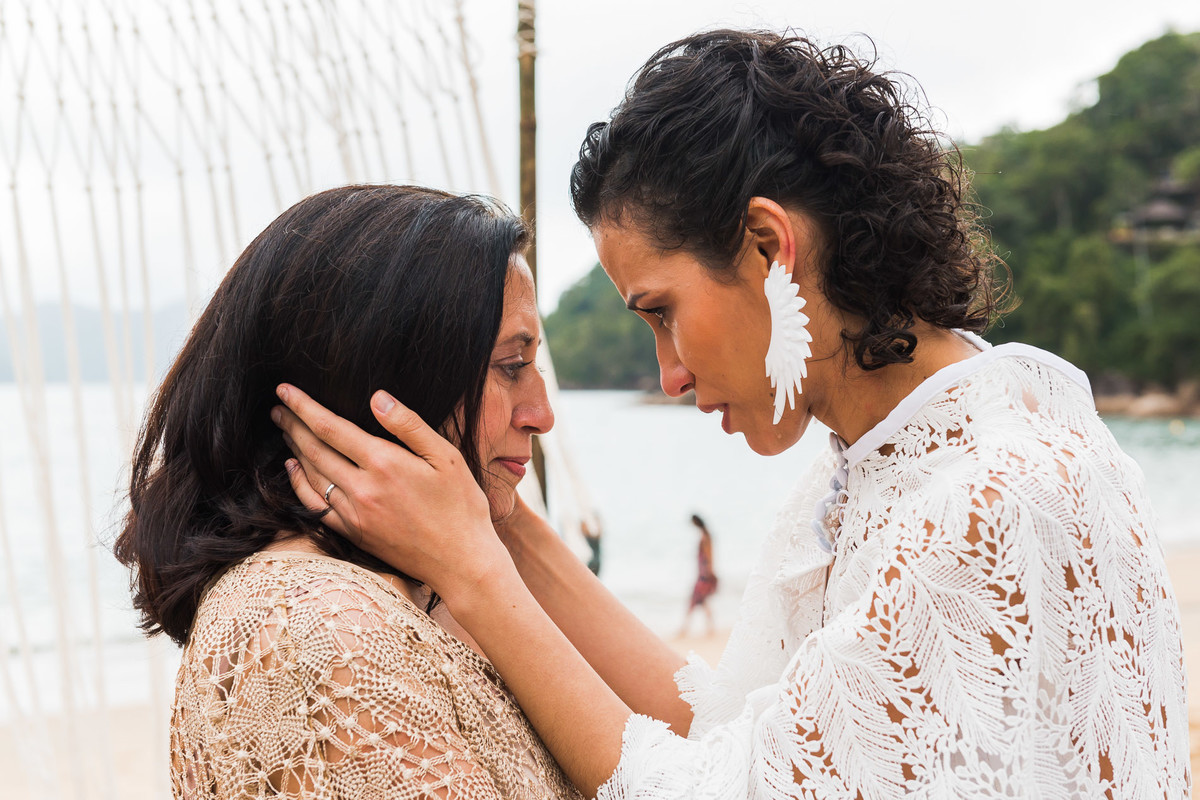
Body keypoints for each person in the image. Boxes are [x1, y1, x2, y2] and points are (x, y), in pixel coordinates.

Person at [270, 31, 1190, 799]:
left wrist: (472, 571)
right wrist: (508, 532)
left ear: (768, 248)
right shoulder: (857, 484)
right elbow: (732, 732)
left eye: (662, 313)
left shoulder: (1002, 495)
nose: (666, 375)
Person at [114, 185, 583, 799]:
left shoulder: (400, 603)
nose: (542, 413)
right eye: (510, 366)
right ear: (387, 379)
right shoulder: (317, 632)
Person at [679, 514, 718, 637]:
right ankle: (709, 629)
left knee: (693, 602)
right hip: (704, 575)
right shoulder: (706, 536)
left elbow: (708, 557)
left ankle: (684, 630)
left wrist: (707, 574)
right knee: (702, 603)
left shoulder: (704, 538)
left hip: (703, 576)